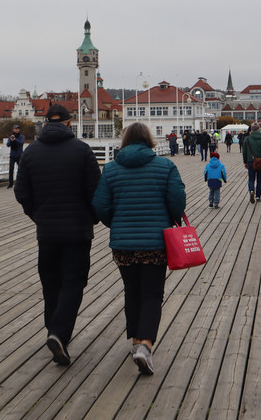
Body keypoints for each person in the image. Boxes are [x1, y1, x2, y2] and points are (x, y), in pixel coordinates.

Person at [92, 122, 186, 376]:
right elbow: (177, 202)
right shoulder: (165, 166)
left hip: (123, 243)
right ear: (149, 140)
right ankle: (145, 344)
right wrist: (169, 217)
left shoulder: (110, 169)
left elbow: (100, 206)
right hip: (156, 242)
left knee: (132, 291)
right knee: (152, 294)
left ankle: (135, 342)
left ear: (124, 141)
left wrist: (116, 222)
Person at [14, 104, 101, 366]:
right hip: (77, 231)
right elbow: (95, 191)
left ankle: (53, 328)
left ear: (45, 123)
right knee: (73, 282)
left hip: (47, 232)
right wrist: (92, 217)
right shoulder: (82, 150)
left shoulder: (31, 152)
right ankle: (58, 333)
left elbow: (21, 192)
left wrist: (37, 215)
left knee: (50, 281)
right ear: (68, 122)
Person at [242, 123, 261, 204]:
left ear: (251, 130)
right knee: (259, 179)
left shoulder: (247, 139)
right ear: (259, 129)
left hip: (251, 161)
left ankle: (251, 191)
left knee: (251, 178)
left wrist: (245, 162)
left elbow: (244, 152)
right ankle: (258, 196)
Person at [6, 124, 25, 189]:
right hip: (12, 156)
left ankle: (21, 182)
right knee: (11, 170)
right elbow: (8, 145)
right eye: (15, 129)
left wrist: (15, 140)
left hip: (19, 155)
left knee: (21, 170)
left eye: (18, 129)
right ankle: (10, 183)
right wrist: (11, 141)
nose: (17, 130)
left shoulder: (22, 136)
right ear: (13, 129)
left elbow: (21, 143)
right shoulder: (11, 137)